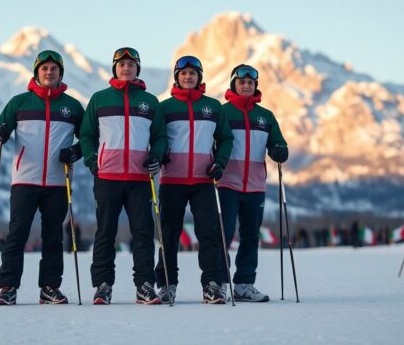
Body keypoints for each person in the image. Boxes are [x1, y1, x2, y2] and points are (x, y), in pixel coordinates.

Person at [0, 50, 85, 306]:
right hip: (24, 180)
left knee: (53, 236)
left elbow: (89, 138)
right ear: (37, 73)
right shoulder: (20, 103)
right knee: (16, 234)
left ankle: (50, 287)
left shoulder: (72, 106)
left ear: (60, 73)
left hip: (57, 181)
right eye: (45, 69)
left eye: (54, 69)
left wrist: (76, 150)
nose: (49, 72)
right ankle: (7, 287)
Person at [80, 47, 167, 305]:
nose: (126, 68)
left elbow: (160, 136)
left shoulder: (150, 102)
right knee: (105, 232)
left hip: (140, 179)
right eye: (121, 64)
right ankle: (103, 286)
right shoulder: (99, 99)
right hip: (107, 177)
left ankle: (144, 285)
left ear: (137, 69)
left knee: (143, 232)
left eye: (131, 64)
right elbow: (86, 135)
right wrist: (91, 160)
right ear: (114, 69)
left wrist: (157, 155)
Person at [154, 55, 233, 304]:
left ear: (200, 77)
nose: (188, 77)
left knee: (209, 234)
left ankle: (212, 284)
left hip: (203, 181)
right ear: (176, 77)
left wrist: (219, 162)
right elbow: (155, 137)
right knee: (168, 235)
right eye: (183, 73)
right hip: (172, 181)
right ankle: (167, 284)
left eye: (193, 73)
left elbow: (226, 138)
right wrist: (161, 154)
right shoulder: (164, 107)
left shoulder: (213, 107)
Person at [218, 64, 288, 302]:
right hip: (227, 184)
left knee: (250, 236)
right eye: (241, 82)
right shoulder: (222, 112)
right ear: (233, 85)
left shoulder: (265, 116)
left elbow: (278, 142)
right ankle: (218, 282)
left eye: (250, 82)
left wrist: (280, 150)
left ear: (255, 86)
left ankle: (244, 284)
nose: (246, 85)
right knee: (223, 235)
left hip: (255, 186)